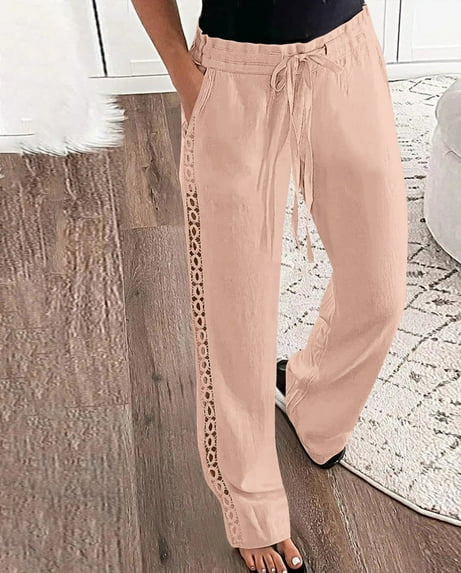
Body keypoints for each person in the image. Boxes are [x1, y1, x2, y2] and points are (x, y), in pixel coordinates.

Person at [130, 1, 408, 572]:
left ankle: (313, 398)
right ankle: (251, 503)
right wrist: (188, 80)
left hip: (344, 56)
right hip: (235, 76)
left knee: (379, 291)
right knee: (236, 314)